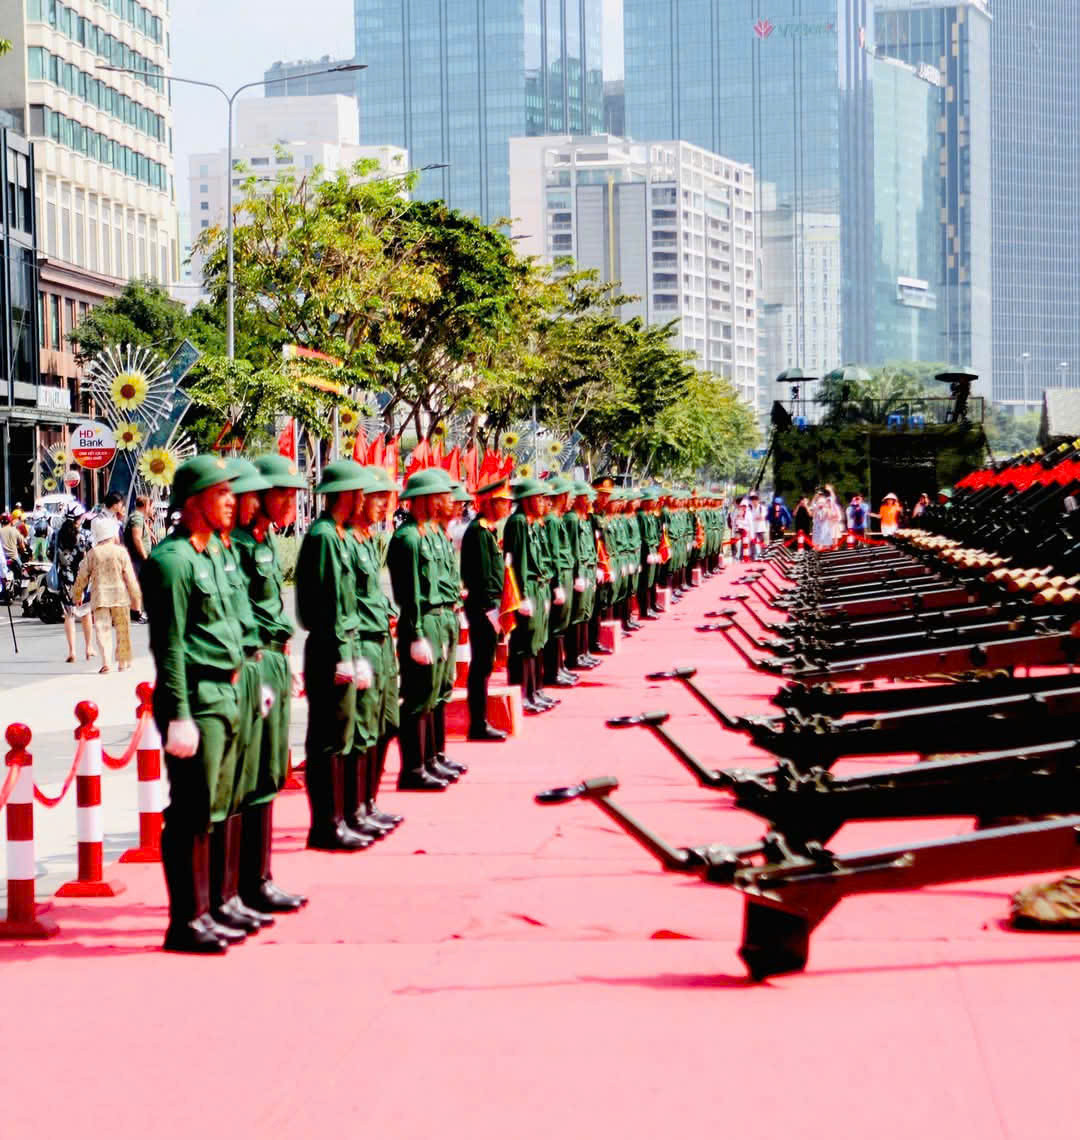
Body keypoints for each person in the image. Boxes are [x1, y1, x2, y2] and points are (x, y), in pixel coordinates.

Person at [142, 455, 246, 955]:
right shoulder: (173, 561)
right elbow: (171, 646)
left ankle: (207, 909)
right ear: (192, 502)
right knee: (190, 810)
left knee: (215, 805)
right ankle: (183, 920)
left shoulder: (209, 555)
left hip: (223, 693)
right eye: (220, 492)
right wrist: (180, 713)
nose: (230, 501)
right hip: (196, 698)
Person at [229, 454, 310, 914]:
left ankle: (260, 877)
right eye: (282, 493)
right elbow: (242, 612)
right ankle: (242, 883)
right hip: (252, 662)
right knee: (249, 775)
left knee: (270, 772)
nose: (290, 502)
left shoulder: (264, 539)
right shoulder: (240, 545)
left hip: (273, 659)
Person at [295, 459, 373, 849]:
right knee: (327, 740)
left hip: (342, 645)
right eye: (359, 492)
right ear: (344, 495)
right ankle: (325, 824)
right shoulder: (324, 536)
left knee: (342, 736)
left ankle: (340, 817)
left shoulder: (339, 535)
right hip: (329, 650)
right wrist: (344, 652)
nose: (364, 498)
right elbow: (325, 605)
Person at [386, 466, 462, 790]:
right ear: (426, 499)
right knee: (418, 696)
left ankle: (432, 757)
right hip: (424, 620)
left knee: (437, 692)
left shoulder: (433, 534)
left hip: (441, 617)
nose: (451, 501)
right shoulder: (408, 538)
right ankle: (413, 768)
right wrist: (416, 634)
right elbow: (410, 592)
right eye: (443, 495)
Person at [460, 477, 514, 741]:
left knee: (485, 665)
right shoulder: (479, 532)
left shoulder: (489, 531)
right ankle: (477, 724)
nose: (508, 507)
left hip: (490, 606)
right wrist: (493, 609)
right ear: (491, 504)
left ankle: (481, 722)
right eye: (504, 502)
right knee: (481, 665)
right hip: (484, 607)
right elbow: (482, 578)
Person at [503, 476, 556, 714]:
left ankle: (536, 690)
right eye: (539, 497)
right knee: (523, 643)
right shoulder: (518, 522)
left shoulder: (533, 522)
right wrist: (522, 595)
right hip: (527, 589)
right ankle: (522, 692)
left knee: (536, 641)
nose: (543, 502)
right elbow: (518, 563)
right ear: (526, 500)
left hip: (539, 586)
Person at [71, 514, 142, 673]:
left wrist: (77, 594)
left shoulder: (93, 553)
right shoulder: (121, 552)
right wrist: (136, 598)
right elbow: (130, 577)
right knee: (122, 628)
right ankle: (123, 662)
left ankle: (106, 662)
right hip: (120, 596)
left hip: (100, 596)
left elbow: (82, 576)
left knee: (102, 629)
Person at [51, 505, 94, 663]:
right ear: (79, 518)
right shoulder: (85, 535)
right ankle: (89, 647)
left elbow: (51, 553)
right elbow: (91, 555)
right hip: (82, 578)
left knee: (69, 615)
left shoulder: (57, 535)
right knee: (85, 612)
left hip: (65, 579)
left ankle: (72, 651)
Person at [124, 494, 153, 623]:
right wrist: (145, 557)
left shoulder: (139, 517)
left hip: (136, 557)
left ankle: (137, 611)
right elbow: (137, 538)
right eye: (151, 507)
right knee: (137, 584)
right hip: (136, 558)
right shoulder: (137, 517)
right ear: (146, 506)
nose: (152, 510)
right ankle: (136, 612)